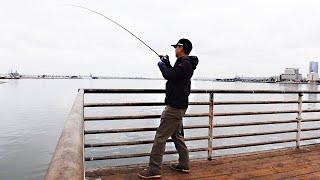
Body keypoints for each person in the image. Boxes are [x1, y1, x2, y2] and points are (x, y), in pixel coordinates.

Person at [138, 38, 199, 179]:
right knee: (177, 135)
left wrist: (161, 65)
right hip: (178, 106)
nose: (174, 49)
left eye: (176, 47)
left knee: (160, 137)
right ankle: (184, 164)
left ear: (181, 47)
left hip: (174, 107)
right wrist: (166, 63)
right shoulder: (184, 64)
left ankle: (154, 170)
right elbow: (174, 75)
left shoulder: (185, 63)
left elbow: (169, 75)